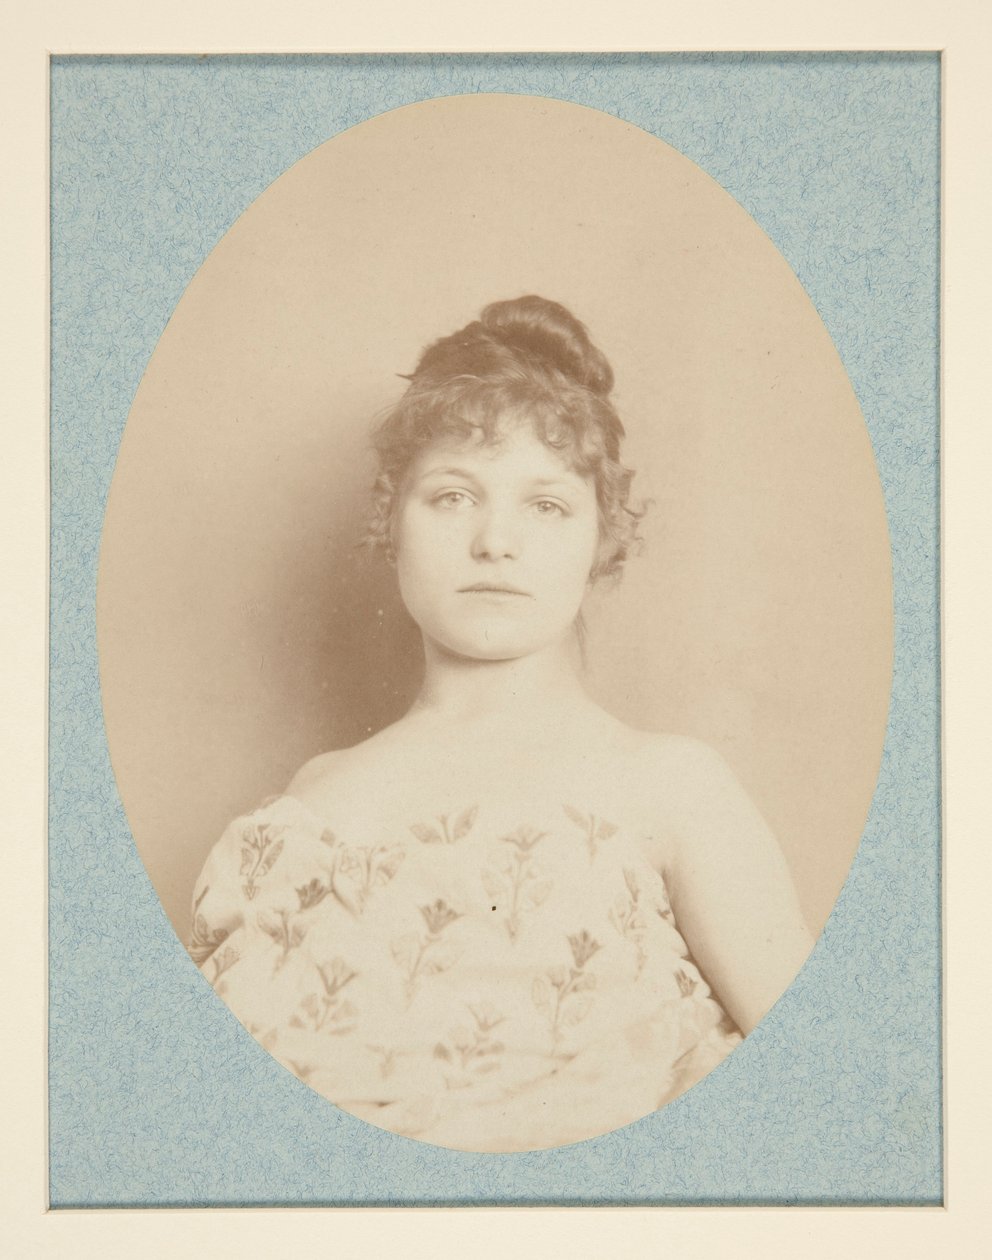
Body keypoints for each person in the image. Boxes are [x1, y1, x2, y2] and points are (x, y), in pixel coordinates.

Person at [188, 296, 814, 1152]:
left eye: (546, 505)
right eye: (452, 497)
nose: (496, 541)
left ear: (603, 538)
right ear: (391, 523)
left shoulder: (671, 787)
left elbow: (819, 1093)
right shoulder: (310, 808)